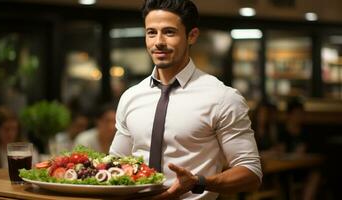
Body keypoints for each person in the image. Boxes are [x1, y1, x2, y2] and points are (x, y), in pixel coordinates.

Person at [109, 0, 262, 199]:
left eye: (169, 32)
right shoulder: (131, 97)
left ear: (192, 35)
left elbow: (251, 173)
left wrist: (198, 182)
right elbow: (117, 162)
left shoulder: (222, 97)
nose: (158, 42)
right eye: (151, 32)